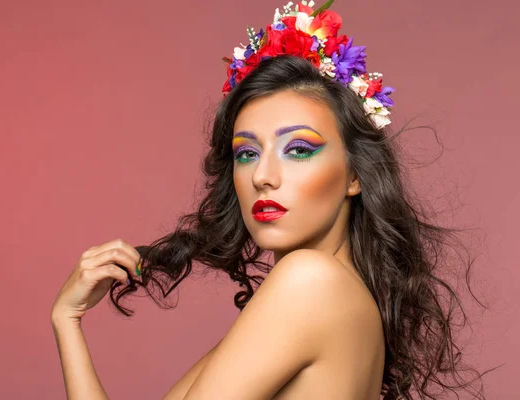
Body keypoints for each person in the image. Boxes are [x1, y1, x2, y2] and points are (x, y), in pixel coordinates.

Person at [51, 1, 493, 399]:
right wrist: (67, 322)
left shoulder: (309, 282)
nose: (263, 176)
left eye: (298, 149)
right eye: (247, 152)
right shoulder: (331, 294)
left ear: (356, 175)